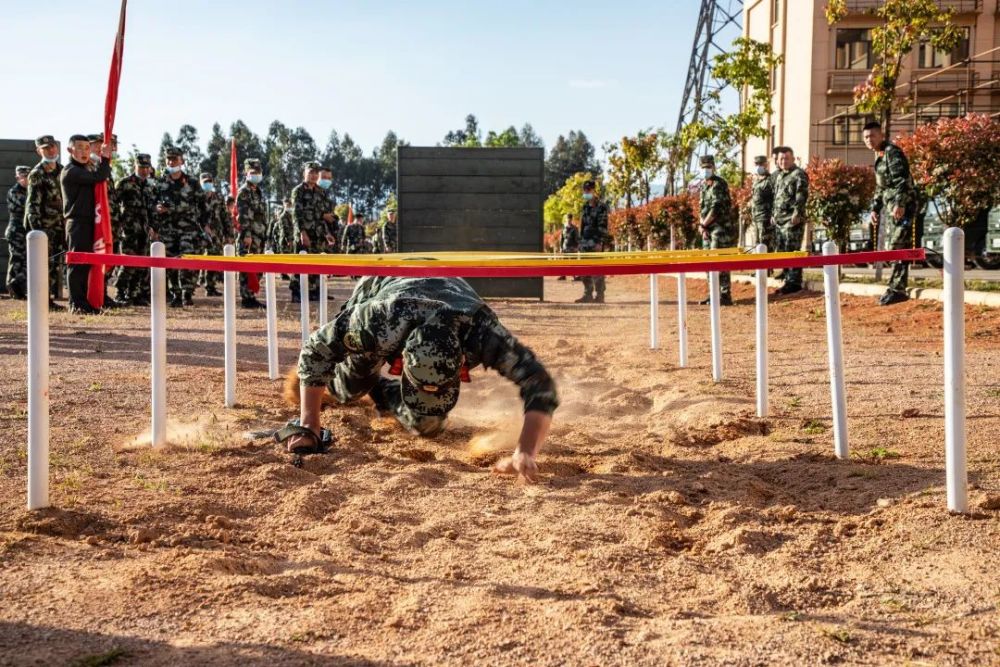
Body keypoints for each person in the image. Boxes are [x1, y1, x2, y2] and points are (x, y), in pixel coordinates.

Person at [284, 276, 559, 482]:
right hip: (383, 291)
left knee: (427, 424)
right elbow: (316, 349)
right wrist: (309, 427)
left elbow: (540, 383)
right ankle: (345, 385)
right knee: (350, 389)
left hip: (452, 294)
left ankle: (383, 392)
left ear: (462, 364)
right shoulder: (376, 323)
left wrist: (525, 451)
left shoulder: (482, 334)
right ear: (401, 364)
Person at [864, 121, 916, 306]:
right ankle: (897, 287)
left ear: (881, 136)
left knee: (897, 246)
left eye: (872, 136)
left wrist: (900, 204)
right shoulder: (879, 156)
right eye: (866, 137)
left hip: (903, 207)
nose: (869, 140)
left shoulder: (892, 153)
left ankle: (897, 288)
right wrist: (874, 208)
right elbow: (881, 187)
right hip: (891, 207)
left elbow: (901, 180)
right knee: (897, 247)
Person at [60, 134, 113, 314]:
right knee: (77, 264)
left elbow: (100, 176)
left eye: (86, 148)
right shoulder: (72, 171)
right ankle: (76, 303)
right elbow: (100, 176)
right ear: (70, 150)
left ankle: (85, 302)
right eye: (80, 147)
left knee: (87, 264)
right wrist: (105, 159)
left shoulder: (85, 169)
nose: (84, 152)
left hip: (89, 222)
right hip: (77, 223)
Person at [154, 146, 206, 307]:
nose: (171, 162)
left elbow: (203, 205)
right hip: (167, 228)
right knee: (169, 263)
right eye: (169, 159)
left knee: (186, 261)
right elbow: (152, 203)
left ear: (182, 161)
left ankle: (186, 293)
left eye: (175, 159)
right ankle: (175, 294)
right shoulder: (160, 182)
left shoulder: (192, 182)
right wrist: (156, 212)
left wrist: (204, 226)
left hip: (187, 229)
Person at [24, 135, 65, 310]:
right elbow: (32, 205)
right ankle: (41, 301)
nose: (51, 150)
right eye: (46, 148)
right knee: (42, 265)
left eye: (53, 146)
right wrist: (37, 231)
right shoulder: (37, 173)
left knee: (54, 265)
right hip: (44, 227)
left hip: (59, 226)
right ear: (39, 151)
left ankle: (47, 300)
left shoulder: (62, 170)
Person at [112, 153, 156, 306]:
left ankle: (134, 294)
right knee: (127, 262)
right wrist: (118, 225)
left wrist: (152, 227)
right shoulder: (124, 183)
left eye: (146, 168)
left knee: (142, 263)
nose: (144, 170)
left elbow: (151, 209)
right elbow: (113, 204)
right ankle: (120, 292)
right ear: (135, 166)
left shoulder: (149, 187)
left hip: (144, 230)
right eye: (141, 167)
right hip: (128, 230)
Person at [771, 146, 809, 295]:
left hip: (792, 220)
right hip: (780, 221)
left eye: (786, 158)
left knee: (792, 250)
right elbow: (777, 198)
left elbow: (801, 195)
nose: (783, 161)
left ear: (793, 159)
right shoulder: (780, 176)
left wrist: (797, 213)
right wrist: (774, 215)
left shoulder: (798, 174)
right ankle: (787, 280)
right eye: (781, 159)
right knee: (782, 251)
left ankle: (794, 282)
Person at [697, 155, 734, 306]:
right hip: (707, 229)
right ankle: (713, 293)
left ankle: (724, 296)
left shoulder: (719, 184)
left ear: (713, 167)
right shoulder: (704, 185)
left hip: (720, 229)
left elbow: (716, 209)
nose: (706, 170)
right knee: (708, 261)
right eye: (703, 168)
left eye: (708, 167)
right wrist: (702, 225)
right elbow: (701, 208)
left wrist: (704, 225)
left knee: (719, 261)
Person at [290, 162, 326, 302]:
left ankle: (313, 291)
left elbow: (321, 214)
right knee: (299, 262)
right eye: (311, 172)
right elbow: (296, 214)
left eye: (316, 173)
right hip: (303, 232)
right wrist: (302, 232)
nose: (314, 175)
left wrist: (326, 233)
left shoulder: (320, 191)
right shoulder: (298, 191)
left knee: (315, 263)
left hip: (317, 233)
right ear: (304, 173)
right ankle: (296, 292)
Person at [236, 159, 267, 309]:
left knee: (257, 268)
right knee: (247, 269)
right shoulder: (244, 192)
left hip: (259, 236)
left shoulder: (258, 192)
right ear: (246, 173)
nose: (256, 175)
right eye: (252, 173)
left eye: (258, 173)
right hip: (249, 236)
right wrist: (247, 235)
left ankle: (251, 296)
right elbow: (243, 216)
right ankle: (246, 298)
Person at [200, 173, 232, 297]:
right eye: (205, 181)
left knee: (214, 259)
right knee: (195, 259)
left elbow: (225, 217)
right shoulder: (196, 197)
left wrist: (228, 234)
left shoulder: (218, 198)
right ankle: (188, 290)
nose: (207, 183)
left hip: (215, 235)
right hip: (199, 233)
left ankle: (210, 286)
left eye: (209, 181)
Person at [577, 180, 609, 303]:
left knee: (597, 269)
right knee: (584, 269)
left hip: (595, 243)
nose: (586, 193)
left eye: (588, 190)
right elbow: (582, 225)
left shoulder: (601, 207)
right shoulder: (585, 207)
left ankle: (600, 295)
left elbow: (603, 226)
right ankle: (587, 294)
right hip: (585, 242)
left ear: (594, 191)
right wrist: (580, 242)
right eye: (585, 190)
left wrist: (599, 242)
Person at [4, 166, 31, 299]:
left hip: (26, 231)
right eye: (23, 177)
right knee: (16, 260)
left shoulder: (30, 191)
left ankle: (18, 287)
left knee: (24, 260)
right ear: (17, 178)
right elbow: (25, 206)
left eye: (28, 176)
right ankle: (13, 287)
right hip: (16, 231)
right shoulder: (14, 192)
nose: (26, 179)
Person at [750, 155, 774, 250]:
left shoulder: (770, 180)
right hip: (756, 219)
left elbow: (775, 198)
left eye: (761, 164)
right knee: (757, 246)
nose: (758, 166)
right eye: (756, 164)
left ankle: (768, 265)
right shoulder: (756, 181)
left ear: (766, 165)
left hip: (765, 219)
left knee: (765, 245)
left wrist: (773, 215)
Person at [558, 213, 580, 281]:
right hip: (565, 247)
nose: (568, 220)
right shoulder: (563, 228)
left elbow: (577, 239)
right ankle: (563, 275)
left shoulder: (575, 228)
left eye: (569, 219)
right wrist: (561, 247)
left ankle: (575, 276)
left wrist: (577, 247)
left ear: (571, 219)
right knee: (563, 262)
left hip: (572, 248)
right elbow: (561, 238)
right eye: (567, 219)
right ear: (566, 219)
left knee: (573, 263)